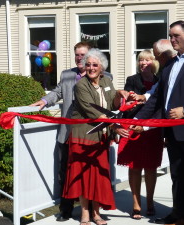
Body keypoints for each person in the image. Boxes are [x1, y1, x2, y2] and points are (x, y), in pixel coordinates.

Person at [131, 21, 184, 225]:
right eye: (170, 36)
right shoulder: (169, 65)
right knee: (179, 178)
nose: (172, 40)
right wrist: (136, 120)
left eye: (176, 35)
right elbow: (157, 99)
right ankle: (183, 215)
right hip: (172, 133)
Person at [30, 42, 112, 222]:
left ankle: (92, 211)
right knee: (66, 173)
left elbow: (109, 100)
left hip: (94, 133)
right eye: (77, 55)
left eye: (83, 54)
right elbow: (57, 92)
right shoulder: (67, 75)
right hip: (68, 132)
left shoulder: (105, 76)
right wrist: (44, 101)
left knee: (92, 173)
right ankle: (66, 210)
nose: (80, 58)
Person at [62, 48, 128, 225]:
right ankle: (85, 214)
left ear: (101, 67)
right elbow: (92, 111)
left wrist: (120, 94)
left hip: (100, 137)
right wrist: (115, 126)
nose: (91, 68)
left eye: (95, 65)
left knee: (98, 177)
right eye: (88, 64)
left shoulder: (107, 80)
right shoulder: (81, 85)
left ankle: (96, 213)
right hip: (82, 136)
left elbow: (112, 103)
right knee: (84, 177)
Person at [115, 49, 164, 220]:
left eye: (147, 60)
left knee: (151, 168)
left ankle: (150, 202)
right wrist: (132, 99)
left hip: (153, 130)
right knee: (134, 168)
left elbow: (161, 107)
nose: (143, 63)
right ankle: (136, 203)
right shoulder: (132, 80)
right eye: (140, 60)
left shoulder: (160, 80)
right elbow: (127, 103)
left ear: (154, 63)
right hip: (134, 127)